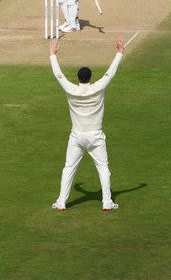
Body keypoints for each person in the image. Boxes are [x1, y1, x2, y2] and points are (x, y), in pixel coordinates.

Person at [49, 35, 125, 211]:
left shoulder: (71, 89)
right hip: (95, 137)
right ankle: (107, 202)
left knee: (68, 168)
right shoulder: (98, 87)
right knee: (103, 168)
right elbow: (110, 73)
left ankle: (61, 202)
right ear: (90, 77)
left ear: (78, 78)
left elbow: (58, 75)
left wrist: (52, 54)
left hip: (77, 136)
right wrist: (119, 52)